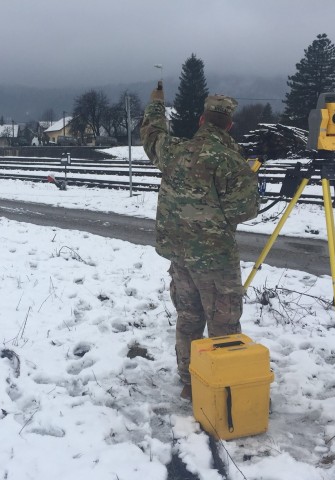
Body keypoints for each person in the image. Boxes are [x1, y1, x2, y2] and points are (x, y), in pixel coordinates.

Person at [140, 82, 259, 401]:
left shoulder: (174, 150)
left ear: (202, 121)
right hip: (215, 259)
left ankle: (190, 382)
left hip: (179, 256)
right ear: (230, 125)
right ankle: (223, 388)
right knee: (223, 321)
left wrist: (156, 104)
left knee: (189, 318)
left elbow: (151, 133)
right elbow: (244, 210)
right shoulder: (231, 161)